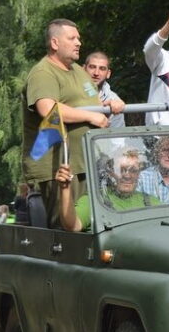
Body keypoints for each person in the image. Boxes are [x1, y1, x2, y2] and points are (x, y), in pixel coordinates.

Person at [23, 18, 111, 229]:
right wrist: (90, 116)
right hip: (58, 167)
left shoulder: (79, 71)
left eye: (78, 38)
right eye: (72, 38)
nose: (78, 42)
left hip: (86, 162)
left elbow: (93, 102)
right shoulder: (43, 72)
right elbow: (48, 109)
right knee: (65, 232)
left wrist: (107, 106)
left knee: (89, 227)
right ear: (55, 43)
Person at [56, 149, 160, 232]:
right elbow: (73, 226)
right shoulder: (96, 200)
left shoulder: (151, 202)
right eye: (121, 170)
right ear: (111, 172)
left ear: (138, 174)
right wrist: (65, 188)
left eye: (133, 170)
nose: (127, 175)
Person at [84, 51, 126, 128]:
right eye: (92, 67)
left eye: (102, 69)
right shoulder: (70, 90)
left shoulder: (114, 100)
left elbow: (117, 137)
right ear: (83, 69)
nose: (96, 73)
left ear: (108, 74)